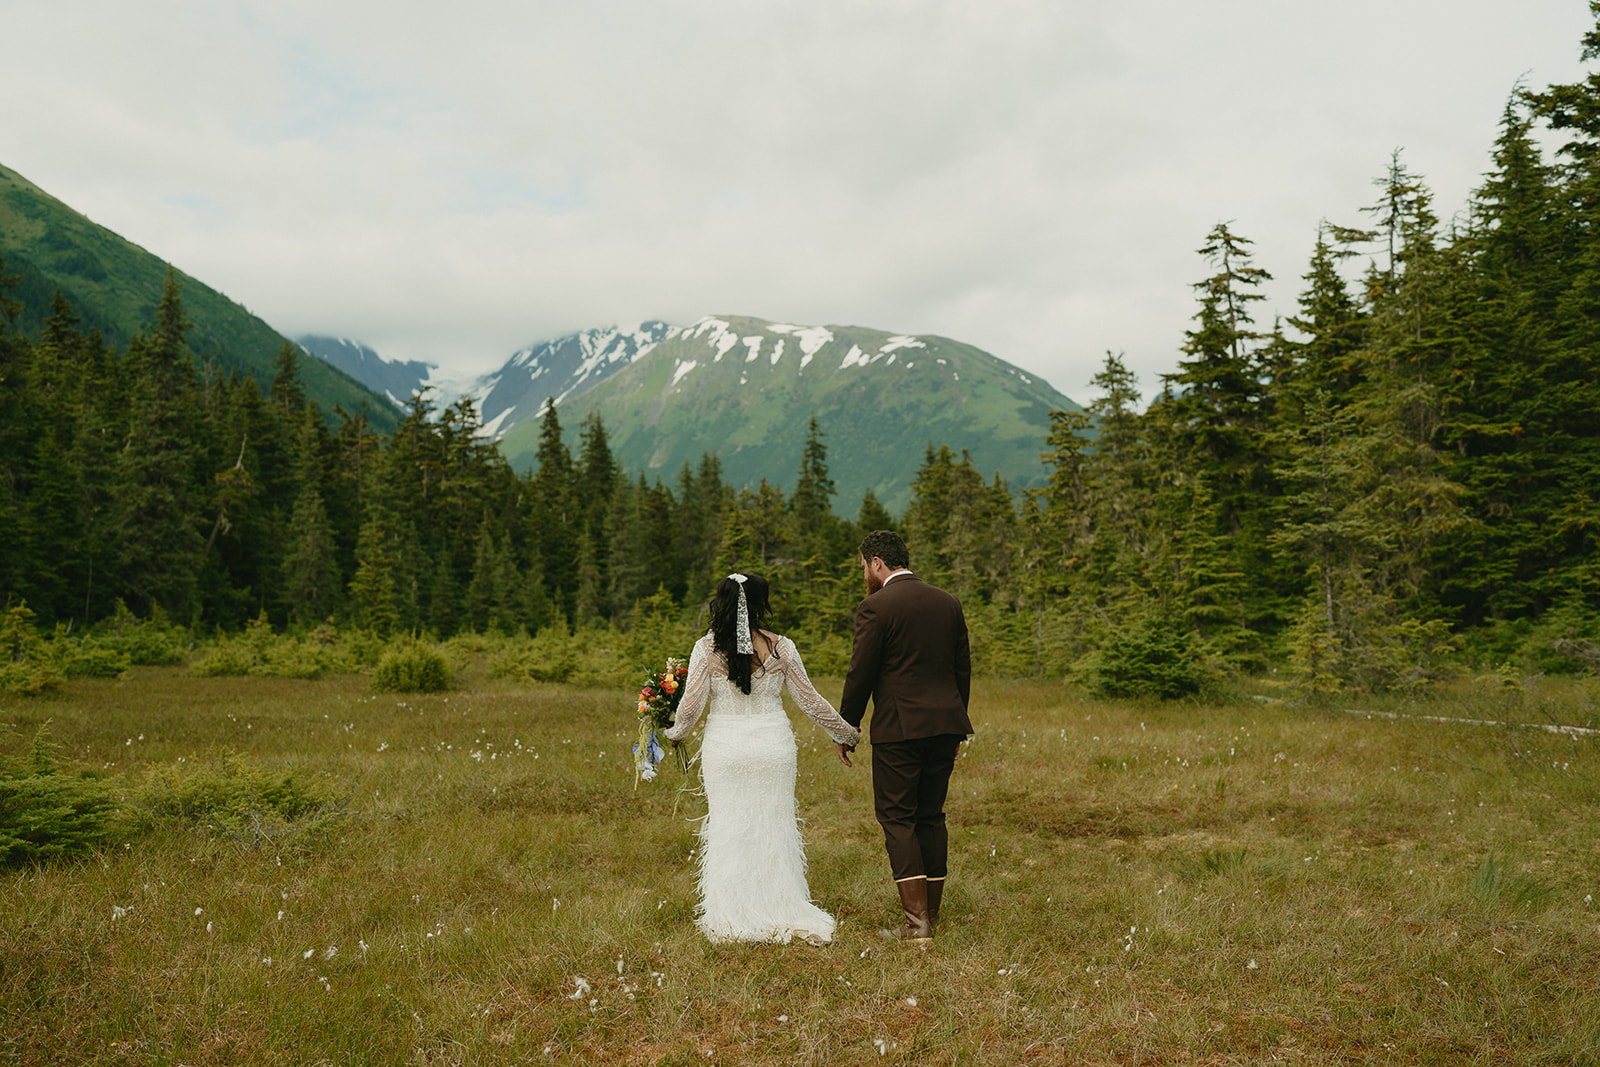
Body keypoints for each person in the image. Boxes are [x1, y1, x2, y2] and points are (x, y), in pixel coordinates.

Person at [664, 572, 860, 945]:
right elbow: (811, 702)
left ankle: (734, 912)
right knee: (773, 826)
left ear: (721, 604)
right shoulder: (782, 647)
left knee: (730, 826)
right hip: (773, 748)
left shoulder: (706, 649)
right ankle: (782, 904)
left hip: (727, 749)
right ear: (759, 603)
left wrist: (674, 734)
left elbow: (690, 708)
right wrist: (846, 733)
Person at [838, 530, 973, 942]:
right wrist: (956, 724)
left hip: (899, 729)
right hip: (945, 724)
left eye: (864, 566)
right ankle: (930, 915)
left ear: (876, 562)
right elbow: (961, 670)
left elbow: (861, 671)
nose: (865, 573)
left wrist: (847, 727)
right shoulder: (948, 602)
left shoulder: (876, 607)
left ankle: (916, 927)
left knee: (897, 817)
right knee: (931, 816)